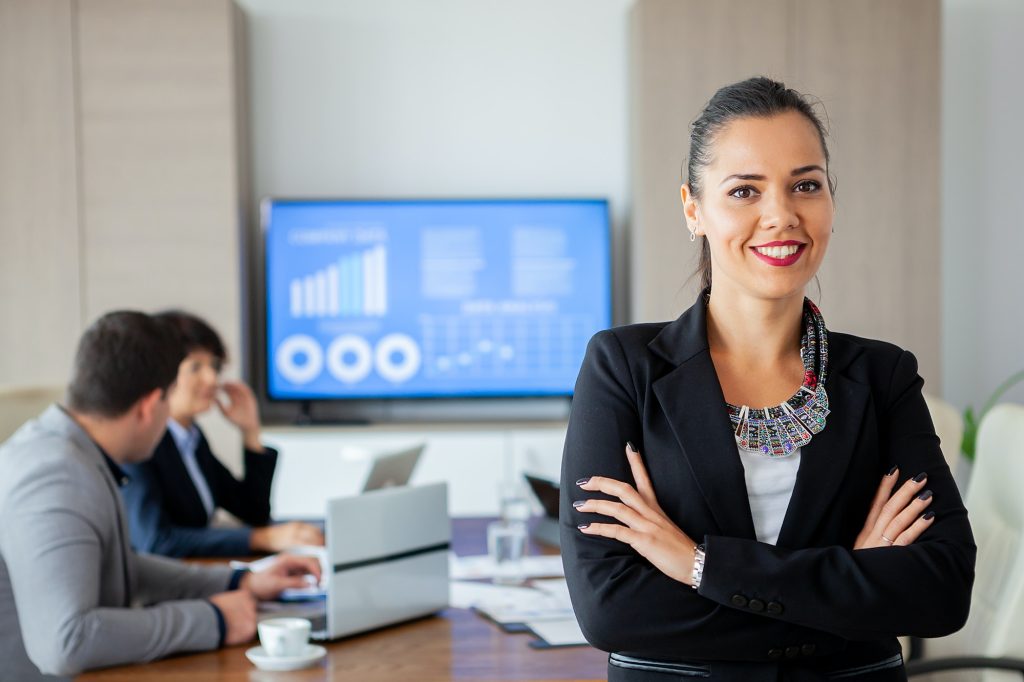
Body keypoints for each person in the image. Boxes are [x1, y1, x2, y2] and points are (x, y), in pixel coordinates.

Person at [561, 77, 976, 681]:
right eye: (744, 191)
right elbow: (610, 610)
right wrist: (847, 585)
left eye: (805, 185)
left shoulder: (883, 376)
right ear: (693, 209)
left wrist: (698, 565)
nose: (781, 215)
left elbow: (942, 589)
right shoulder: (625, 367)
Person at [0, 311, 321, 681]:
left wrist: (241, 581)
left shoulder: (76, 451)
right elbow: (67, 642)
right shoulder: (55, 475)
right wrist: (213, 619)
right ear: (151, 405)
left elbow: (119, 564)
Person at [121, 310, 323, 557]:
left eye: (214, 366)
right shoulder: (141, 444)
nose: (212, 379)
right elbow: (157, 541)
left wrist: (250, 431)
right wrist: (261, 538)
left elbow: (253, 512)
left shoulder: (191, 438)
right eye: (195, 367)